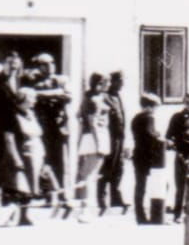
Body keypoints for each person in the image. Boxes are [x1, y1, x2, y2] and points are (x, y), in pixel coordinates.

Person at [0, 52, 36, 217]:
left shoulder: (22, 80)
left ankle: (11, 199)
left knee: (16, 163)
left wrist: (28, 116)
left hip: (18, 127)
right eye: (10, 64)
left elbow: (28, 100)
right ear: (4, 64)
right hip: (0, 128)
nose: (13, 67)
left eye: (16, 64)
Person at [26, 54, 72, 207]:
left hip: (58, 126)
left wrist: (46, 95)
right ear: (39, 66)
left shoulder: (61, 79)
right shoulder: (33, 80)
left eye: (52, 62)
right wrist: (55, 94)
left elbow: (68, 96)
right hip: (41, 125)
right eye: (45, 64)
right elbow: (30, 94)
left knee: (61, 160)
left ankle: (63, 194)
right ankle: (46, 194)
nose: (50, 66)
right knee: (43, 161)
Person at [164, 92, 189, 223]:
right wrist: (171, 143)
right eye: (188, 102)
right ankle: (178, 214)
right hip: (183, 153)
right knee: (181, 185)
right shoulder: (177, 117)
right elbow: (169, 135)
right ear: (184, 102)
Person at [74, 73, 110, 217]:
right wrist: (99, 144)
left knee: (89, 174)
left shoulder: (91, 98)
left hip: (94, 136)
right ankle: (85, 209)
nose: (107, 85)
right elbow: (92, 123)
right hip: (94, 138)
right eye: (105, 83)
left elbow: (78, 116)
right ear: (98, 84)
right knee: (88, 174)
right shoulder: (93, 100)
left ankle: (87, 207)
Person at [130, 94, 165, 224]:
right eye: (156, 107)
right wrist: (160, 135)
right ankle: (145, 216)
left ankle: (140, 215)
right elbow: (153, 134)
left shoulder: (135, 118)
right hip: (148, 156)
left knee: (140, 185)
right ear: (150, 106)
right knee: (152, 185)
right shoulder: (149, 118)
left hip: (138, 153)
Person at [100, 71, 128, 215]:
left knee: (119, 167)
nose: (123, 83)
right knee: (107, 167)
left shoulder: (118, 96)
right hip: (110, 138)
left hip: (119, 137)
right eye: (121, 80)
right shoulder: (105, 97)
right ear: (114, 81)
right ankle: (102, 197)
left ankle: (116, 197)